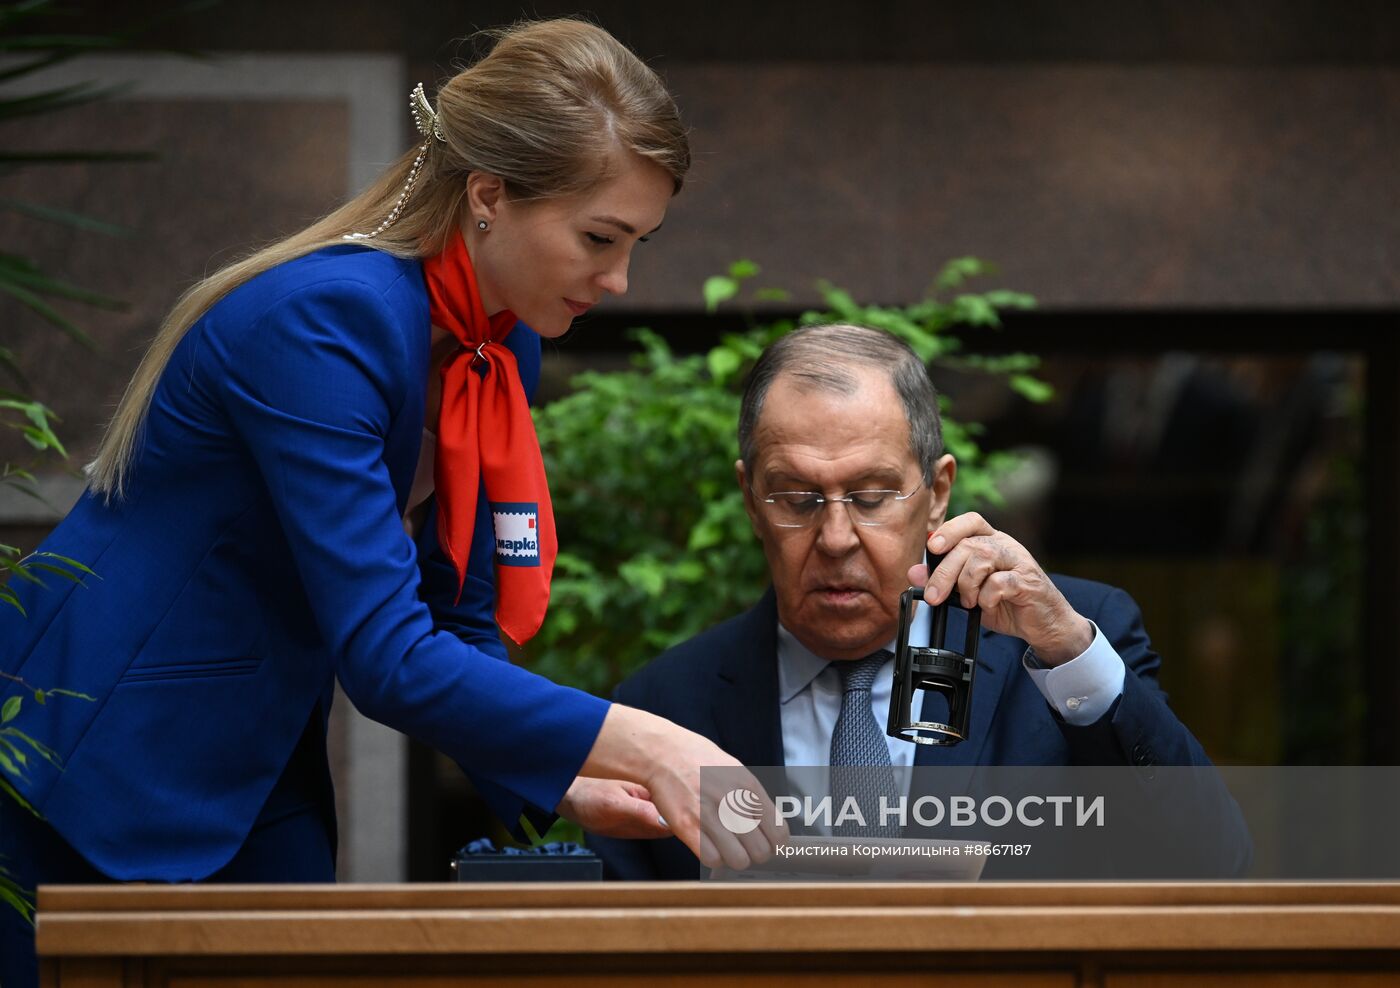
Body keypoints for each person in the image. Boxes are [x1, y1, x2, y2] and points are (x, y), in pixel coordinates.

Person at [0, 20, 781, 988]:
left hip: (258, 769)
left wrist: (561, 779)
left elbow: (456, 612)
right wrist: (653, 738)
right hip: (78, 759)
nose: (618, 280)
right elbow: (388, 653)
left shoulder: (505, 341)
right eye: (598, 238)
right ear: (488, 195)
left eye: (636, 244)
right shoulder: (319, 320)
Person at [588, 323, 1251, 880]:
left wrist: (1070, 651)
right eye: (796, 498)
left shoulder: (1067, 649)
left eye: (873, 497)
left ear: (937, 492)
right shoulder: (665, 706)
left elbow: (1213, 861)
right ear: (750, 501)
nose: (837, 538)